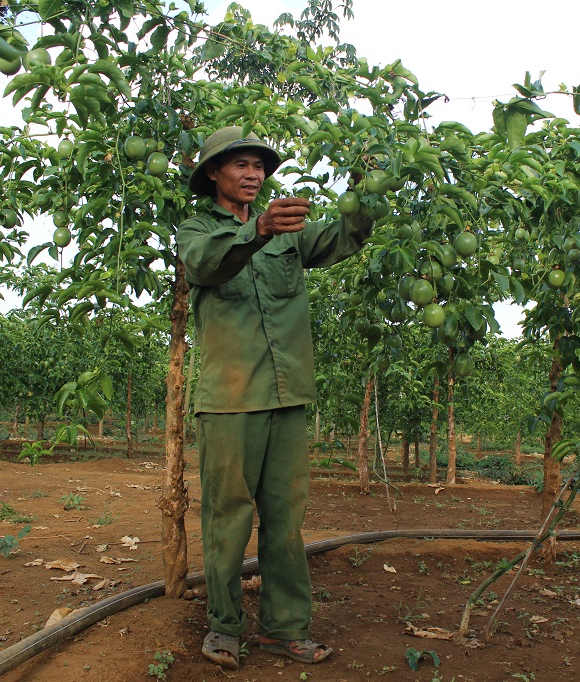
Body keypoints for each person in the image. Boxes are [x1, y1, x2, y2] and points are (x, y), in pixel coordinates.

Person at [176, 126, 374, 670]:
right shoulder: (197, 230)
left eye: (259, 166)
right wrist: (257, 232)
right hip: (230, 400)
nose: (252, 174)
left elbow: (342, 238)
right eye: (239, 164)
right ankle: (225, 628)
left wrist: (367, 190)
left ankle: (286, 627)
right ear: (214, 173)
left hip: (287, 395)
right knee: (227, 518)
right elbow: (207, 265)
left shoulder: (290, 235)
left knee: (286, 520)